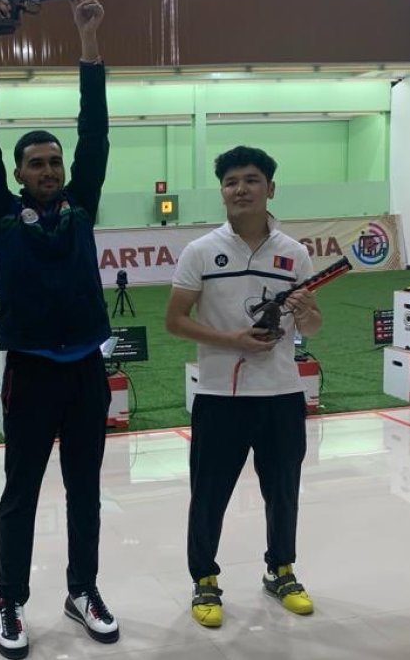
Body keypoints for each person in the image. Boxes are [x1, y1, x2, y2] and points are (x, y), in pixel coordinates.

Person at [0, 0, 119, 659]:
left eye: (55, 162)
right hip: (29, 371)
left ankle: (82, 590)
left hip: (87, 368)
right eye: (38, 163)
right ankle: (10, 600)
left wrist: (88, 40)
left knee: (84, 488)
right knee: (21, 494)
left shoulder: (82, 206)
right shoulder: (1, 215)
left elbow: (97, 132)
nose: (51, 170)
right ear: (18, 173)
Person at [164, 146, 322, 629]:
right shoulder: (200, 251)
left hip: (279, 392)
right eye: (231, 182)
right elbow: (174, 321)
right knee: (209, 494)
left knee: (284, 490)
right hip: (218, 397)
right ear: (222, 192)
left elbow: (312, 327)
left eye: (251, 180)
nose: (241, 189)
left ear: (270, 188)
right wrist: (231, 339)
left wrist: (305, 311)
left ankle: (281, 570)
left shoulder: (293, 254)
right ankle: (204, 580)